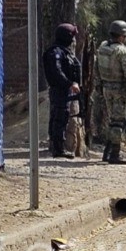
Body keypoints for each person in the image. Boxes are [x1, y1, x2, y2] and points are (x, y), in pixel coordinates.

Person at [95, 20, 126, 164]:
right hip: (119, 91)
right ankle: (115, 154)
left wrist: (99, 86)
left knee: (112, 120)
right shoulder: (122, 51)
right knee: (117, 122)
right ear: (122, 36)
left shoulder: (103, 47)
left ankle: (107, 152)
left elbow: (96, 69)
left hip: (106, 88)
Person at [42, 23, 81, 158]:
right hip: (60, 90)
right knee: (59, 118)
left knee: (61, 117)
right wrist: (69, 84)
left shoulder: (65, 51)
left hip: (65, 91)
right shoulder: (55, 53)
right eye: (72, 36)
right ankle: (58, 149)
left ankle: (58, 147)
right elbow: (56, 72)